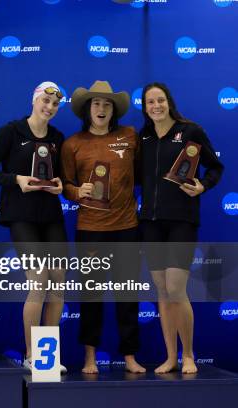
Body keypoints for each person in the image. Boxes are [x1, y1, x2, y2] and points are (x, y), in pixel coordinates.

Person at [0, 81, 67, 373]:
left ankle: (49, 356)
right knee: (39, 280)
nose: (49, 108)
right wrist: (16, 180)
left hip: (51, 216)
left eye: (54, 105)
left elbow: (61, 178)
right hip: (21, 215)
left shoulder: (57, 137)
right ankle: (33, 355)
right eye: (45, 101)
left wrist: (59, 186)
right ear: (34, 100)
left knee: (57, 284)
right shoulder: (11, 131)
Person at [61, 80, 145, 374]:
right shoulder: (72, 144)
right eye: (96, 103)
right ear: (87, 109)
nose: (101, 108)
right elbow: (65, 186)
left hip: (126, 228)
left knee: (127, 296)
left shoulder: (130, 136)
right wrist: (76, 192)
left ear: (114, 110)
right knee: (91, 296)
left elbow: (146, 172)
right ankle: (89, 358)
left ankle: (131, 357)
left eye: (106, 104)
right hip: (90, 228)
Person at [139, 83, 223, 374]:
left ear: (169, 102)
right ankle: (170, 356)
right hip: (149, 223)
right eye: (150, 102)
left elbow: (215, 167)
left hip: (181, 221)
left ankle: (188, 355)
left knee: (176, 288)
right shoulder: (144, 137)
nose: (156, 106)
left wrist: (204, 185)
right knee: (162, 291)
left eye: (160, 100)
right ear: (145, 107)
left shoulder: (191, 131)